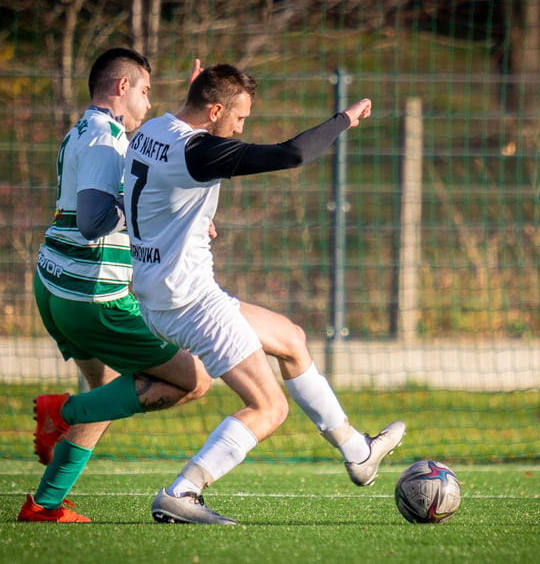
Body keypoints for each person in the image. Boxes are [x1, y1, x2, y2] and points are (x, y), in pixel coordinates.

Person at [123, 63, 406, 525]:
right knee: (269, 407)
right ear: (214, 111)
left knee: (291, 339)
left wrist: (188, 219)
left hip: (162, 293)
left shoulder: (154, 129)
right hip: (190, 302)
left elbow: (149, 188)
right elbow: (291, 155)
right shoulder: (198, 151)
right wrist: (345, 119)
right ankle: (182, 491)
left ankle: (358, 453)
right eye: (239, 119)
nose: (239, 128)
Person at [17, 49, 212, 523]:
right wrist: (147, 208)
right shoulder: (107, 141)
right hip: (92, 297)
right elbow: (92, 222)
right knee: (194, 380)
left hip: (55, 284)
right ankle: (60, 411)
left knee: (104, 392)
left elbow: (142, 170)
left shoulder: (82, 130)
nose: (148, 103)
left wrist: (197, 112)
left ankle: (44, 504)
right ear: (122, 87)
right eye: (145, 91)